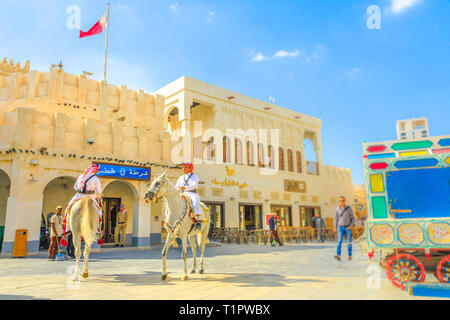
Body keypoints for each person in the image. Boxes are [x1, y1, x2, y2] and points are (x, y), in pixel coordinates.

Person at [63, 163, 103, 235]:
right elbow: (99, 191)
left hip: (79, 195)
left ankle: (67, 228)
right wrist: (98, 196)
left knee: (68, 208)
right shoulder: (96, 178)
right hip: (91, 196)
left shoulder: (81, 176)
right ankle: (97, 229)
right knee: (99, 212)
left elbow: (75, 187)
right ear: (95, 170)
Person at [175, 162, 203, 230]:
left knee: (195, 202)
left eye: (185, 167)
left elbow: (194, 185)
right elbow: (176, 186)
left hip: (192, 193)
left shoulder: (194, 176)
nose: (183, 169)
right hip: (182, 193)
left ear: (190, 168)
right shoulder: (181, 177)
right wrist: (178, 188)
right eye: (183, 167)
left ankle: (198, 221)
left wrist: (185, 188)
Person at [334, 196, 355, 261]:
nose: (341, 202)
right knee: (339, 241)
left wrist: (350, 226)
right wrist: (335, 227)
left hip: (347, 227)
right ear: (339, 202)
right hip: (340, 227)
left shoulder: (349, 208)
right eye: (340, 201)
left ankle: (349, 255)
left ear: (345, 201)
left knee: (349, 241)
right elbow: (336, 219)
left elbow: (353, 218)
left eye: (343, 201)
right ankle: (338, 255)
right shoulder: (337, 209)